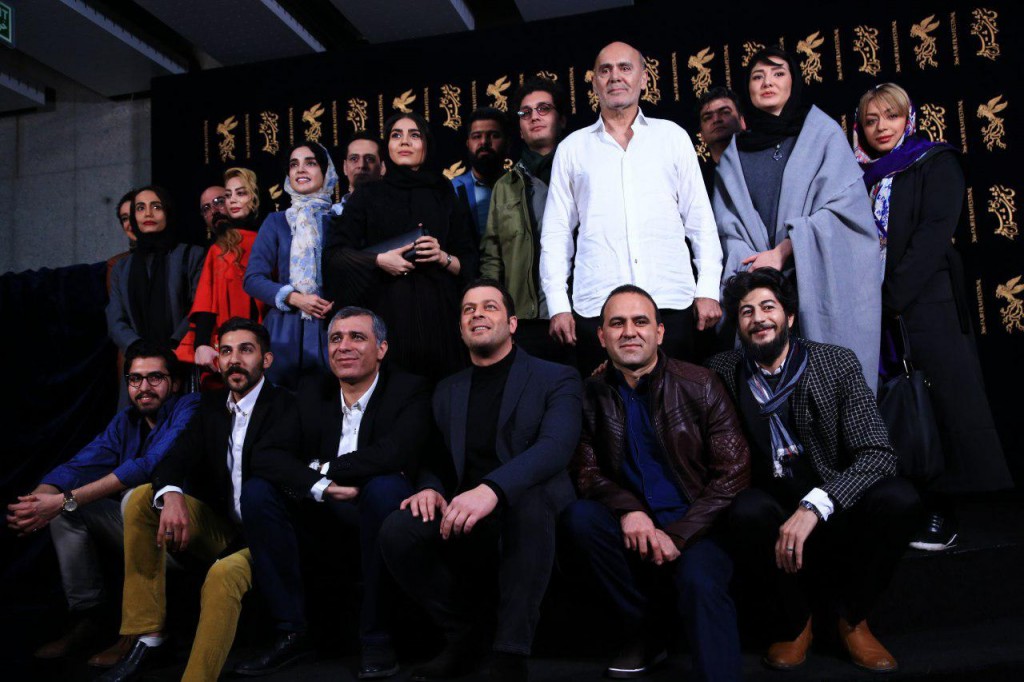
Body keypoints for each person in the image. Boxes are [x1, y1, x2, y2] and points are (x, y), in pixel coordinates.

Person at [707, 268, 921, 673]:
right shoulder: (723, 370)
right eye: (747, 312)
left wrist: (816, 504)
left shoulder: (834, 362)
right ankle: (796, 622)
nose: (758, 318)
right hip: (773, 513)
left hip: (835, 507)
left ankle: (852, 619)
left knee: (900, 498)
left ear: (789, 317)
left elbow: (878, 453)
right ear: (738, 325)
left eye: (768, 307)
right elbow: (672, 381)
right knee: (744, 509)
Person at [379, 280, 583, 682]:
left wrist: (493, 489)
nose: (477, 314)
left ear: (512, 323)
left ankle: (509, 652)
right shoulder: (447, 389)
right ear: (460, 329)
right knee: (398, 530)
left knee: (529, 504)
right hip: (466, 505)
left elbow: (555, 448)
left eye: (489, 307)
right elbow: (437, 456)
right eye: (468, 309)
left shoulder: (557, 377)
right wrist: (430, 488)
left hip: (531, 500)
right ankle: (464, 636)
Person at [97, 319, 304, 682]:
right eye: (226, 351)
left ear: (266, 360)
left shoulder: (289, 406)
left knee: (223, 575)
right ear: (217, 360)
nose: (234, 360)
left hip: (270, 535)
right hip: (226, 529)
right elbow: (173, 459)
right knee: (142, 498)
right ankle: (147, 634)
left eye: (245, 350)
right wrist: (172, 493)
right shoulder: (210, 407)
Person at [559, 285, 748, 681]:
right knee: (580, 518)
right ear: (602, 336)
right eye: (617, 323)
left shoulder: (701, 383)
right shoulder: (589, 395)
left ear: (659, 332)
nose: (629, 331)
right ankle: (648, 629)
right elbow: (586, 471)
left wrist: (679, 534)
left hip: (697, 526)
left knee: (699, 581)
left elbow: (733, 472)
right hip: (635, 528)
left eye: (640, 321)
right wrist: (629, 510)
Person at [853, 83, 1013, 550]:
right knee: (898, 411)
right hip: (873, 310)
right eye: (871, 120)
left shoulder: (934, 162)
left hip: (925, 304)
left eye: (891, 116)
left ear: (909, 119)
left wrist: (890, 299)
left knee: (941, 406)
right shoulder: (857, 176)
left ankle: (944, 510)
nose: (881, 127)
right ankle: (906, 504)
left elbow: (932, 236)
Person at [240, 306, 434, 679]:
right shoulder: (312, 390)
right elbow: (266, 454)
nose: (343, 346)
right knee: (257, 492)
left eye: (357, 337)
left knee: (385, 486)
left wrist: (323, 468)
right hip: (323, 514)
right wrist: (322, 486)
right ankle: (291, 632)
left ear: (381, 348)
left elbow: (395, 453)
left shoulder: (408, 389)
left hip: (380, 511)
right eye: (335, 338)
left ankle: (377, 637)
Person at [6, 343, 199, 667]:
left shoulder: (189, 407)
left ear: (175, 383)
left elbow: (148, 466)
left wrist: (63, 500)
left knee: (131, 498)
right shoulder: (127, 422)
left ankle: (138, 632)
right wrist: (35, 502)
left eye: (155, 377)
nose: (144, 387)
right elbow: (80, 464)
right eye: (135, 379)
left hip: (186, 537)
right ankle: (90, 617)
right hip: (145, 533)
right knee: (67, 512)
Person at [541, 41, 723, 374]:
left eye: (625, 68)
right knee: (606, 403)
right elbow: (556, 234)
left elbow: (700, 221)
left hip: (671, 303)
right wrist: (557, 304)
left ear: (644, 78)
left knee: (678, 401)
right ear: (594, 81)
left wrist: (709, 288)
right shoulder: (572, 149)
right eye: (605, 70)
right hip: (597, 308)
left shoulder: (672, 137)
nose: (615, 77)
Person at [712, 46, 881, 392]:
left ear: (794, 82)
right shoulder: (734, 154)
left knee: (826, 389)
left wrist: (785, 251)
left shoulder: (822, 135)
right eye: (757, 77)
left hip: (818, 282)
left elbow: (846, 213)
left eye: (778, 73)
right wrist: (758, 269)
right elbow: (729, 230)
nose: (767, 82)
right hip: (759, 290)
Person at [324, 112, 477, 382]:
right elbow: (335, 256)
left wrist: (442, 257)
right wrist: (379, 260)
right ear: (387, 146)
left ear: (426, 144)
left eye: (414, 135)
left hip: (441, 321)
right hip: (387, 319)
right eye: (396, 135)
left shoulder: (444, 193)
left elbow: (470, 261)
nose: (404, 141)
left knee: (446, 395)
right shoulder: (367, 195)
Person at [479, 78, 570, 363]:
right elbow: (492, 257)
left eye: (544, 109)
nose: (534, 117)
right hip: (526, 319)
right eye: (525, 112)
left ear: (561, 119)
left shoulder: (583, 172)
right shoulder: (504, 186)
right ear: (519, 127)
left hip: (578, 310)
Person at [244, 143, 337, 390]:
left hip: (331, 325)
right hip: (284, 329)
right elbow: (252, 278)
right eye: (294, 164)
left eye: (310, 163)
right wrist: (294, 298)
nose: (300, 169)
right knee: (282, 403)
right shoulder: (277, 222)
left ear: (326, 171)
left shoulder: (339, 220)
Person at [177, 167, 267, 381]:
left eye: (220, 200)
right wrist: (201, 344)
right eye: (228, 195)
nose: (231, 201)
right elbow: (206, 302)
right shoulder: (219, 250)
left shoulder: (270, 237)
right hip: (227, 345)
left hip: (268, 340)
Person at [106, 186, 205, 366]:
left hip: (180, 359)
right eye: (140, 208)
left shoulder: (191, 255)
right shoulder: (121, 267)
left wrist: (172, 347)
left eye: (156, 206)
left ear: (168, 212)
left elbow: (198, 308)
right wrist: (137, 348)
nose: (148, 214)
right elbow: (115, 318)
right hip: (138, 364)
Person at [450, 107, 509, 238]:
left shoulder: (522, 186)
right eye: (477, 136)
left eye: (494, 135)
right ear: (468, 143)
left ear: (507, 143)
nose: (484, 142)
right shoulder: (451, 190)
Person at [697, 86, 745, 192]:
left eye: (725, 112)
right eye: (708, 117)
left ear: (742, 122)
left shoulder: (762, 164)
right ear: (701, 135)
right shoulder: (697, 182)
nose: (716, 120)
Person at [340, 131, 386, 211]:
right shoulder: (327, 216)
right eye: (354, 159)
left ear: (382, 167)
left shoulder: (399, 212)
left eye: (369, 159)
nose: (361, 165)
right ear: (345, 167)